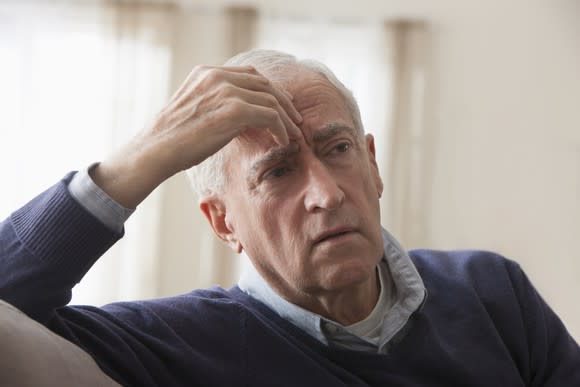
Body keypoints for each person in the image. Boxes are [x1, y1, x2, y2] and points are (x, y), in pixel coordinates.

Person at [0, 49, 578, 386]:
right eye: (277, 172)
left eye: (338, 149)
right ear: (222, 222)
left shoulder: (491, 291)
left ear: (373, 165)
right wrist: (138, 160)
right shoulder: (169, 344)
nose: (326, 193)